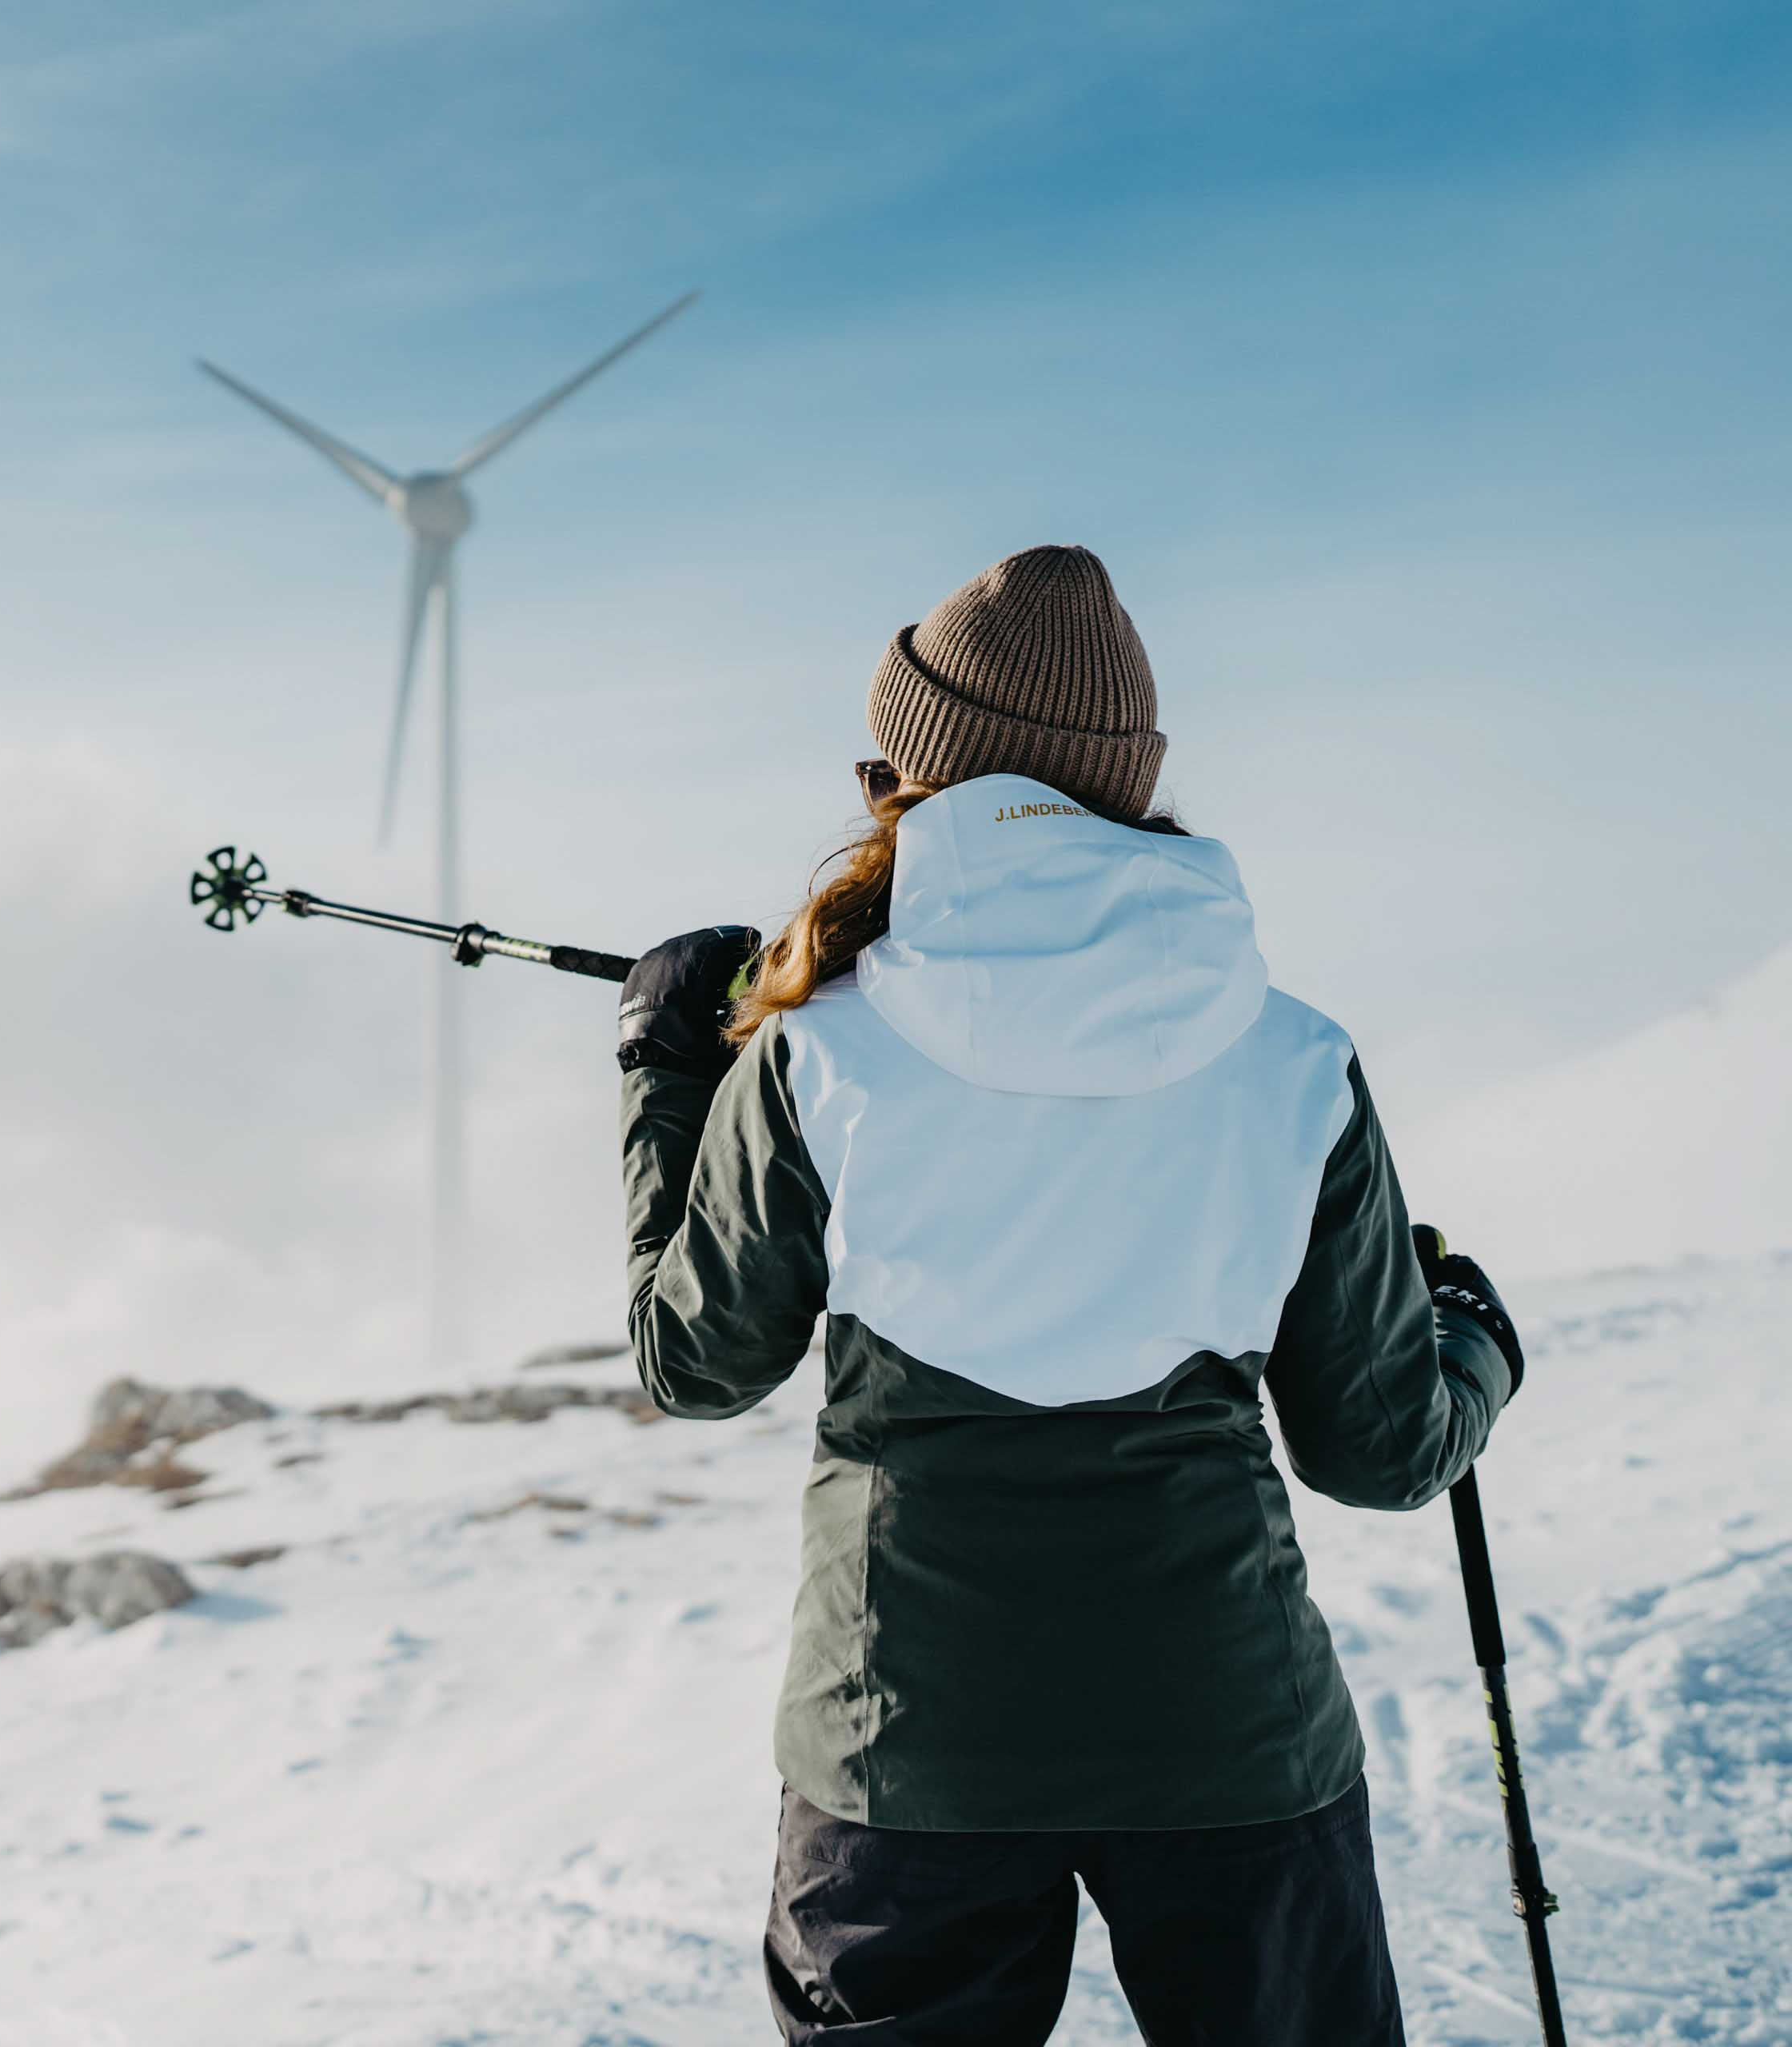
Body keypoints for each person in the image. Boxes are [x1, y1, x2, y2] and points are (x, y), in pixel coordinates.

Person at [614, 545, 1524, 2046]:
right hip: (1231, 1743)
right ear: (1132, 786)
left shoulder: (818, 1055)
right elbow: (1380, 1447)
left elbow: (696, 1361)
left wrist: (666, 1075)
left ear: (902, 782)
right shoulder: (1293, 1058)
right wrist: (1472, 1344)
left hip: (907, 1754)